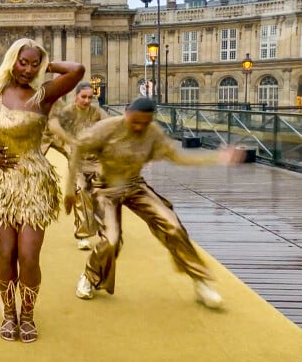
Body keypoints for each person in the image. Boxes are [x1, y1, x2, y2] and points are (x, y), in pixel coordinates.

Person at [64, 97, 244, 308]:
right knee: (111, 239)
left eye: (145, 122)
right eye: (135, 122)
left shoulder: (153, 133)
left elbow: (177, 157)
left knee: (173, 226)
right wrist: (70, 190)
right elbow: (77, 147)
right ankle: (89, 276)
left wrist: (216, 158)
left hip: (134, 186)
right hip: (106, 188)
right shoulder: (107, 128)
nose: (139, 127)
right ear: (127, 113)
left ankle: (201, 281)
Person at [0, 38, 84, 343]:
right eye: (23, 62)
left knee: (29, 255)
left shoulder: (43, 96)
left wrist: (46, 64)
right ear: (11, 61)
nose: (28, 69)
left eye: (35, 64)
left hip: (34, 183)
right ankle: (9, 314)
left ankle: (28, 315)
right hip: (0, 184)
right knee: (7, 252)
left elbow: (77, 70)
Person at [57, 82, 109, 251]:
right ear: (76, 97)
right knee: (82, 195)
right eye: (84, 97)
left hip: (97, 161)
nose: (87, 101)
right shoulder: (67, 113)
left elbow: (111, 127)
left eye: (90, 98)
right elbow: (54, 133)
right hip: (78, 161)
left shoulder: (97, 112)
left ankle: (105, 232)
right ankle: (83, 235)